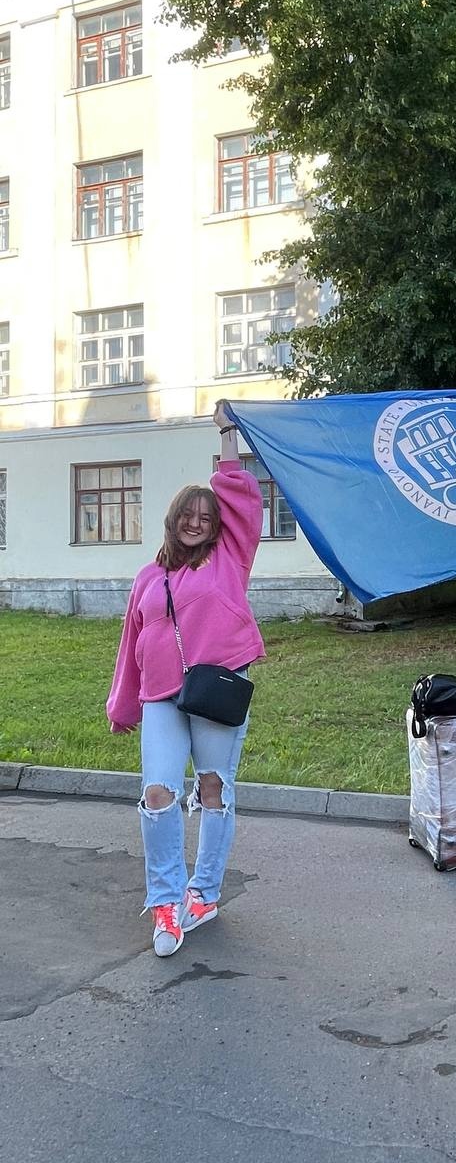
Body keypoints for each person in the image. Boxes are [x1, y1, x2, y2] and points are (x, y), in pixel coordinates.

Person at [107, 401, 265, 958]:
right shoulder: (148, 576)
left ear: (217, 526)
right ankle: (166, 901)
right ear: (172, 519)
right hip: (160, 698)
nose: (196, 522)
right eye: (187, 514)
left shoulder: (229, 559)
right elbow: (132, 642)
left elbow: (241, 499)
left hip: (215, 690)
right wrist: (122, 704)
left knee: (213, 787)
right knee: (157, 793)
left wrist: (228, 435)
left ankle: (205, 893)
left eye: (206, 516)